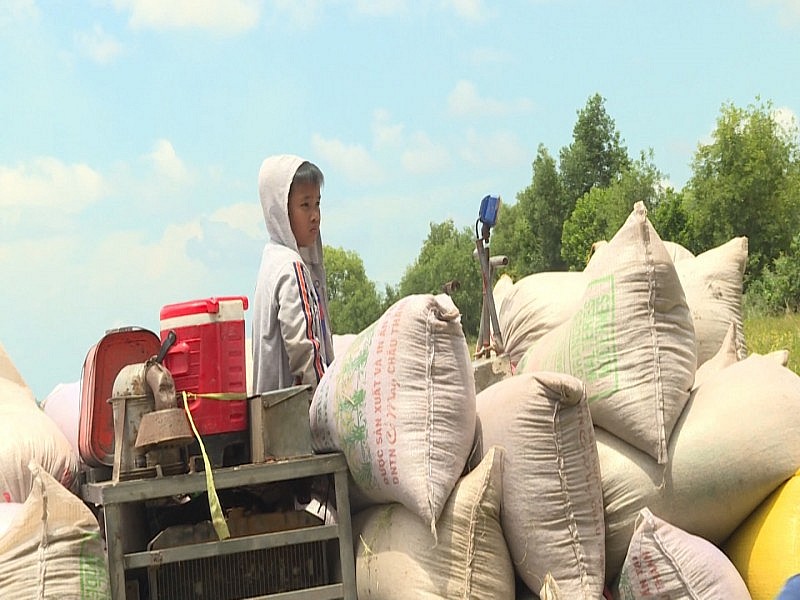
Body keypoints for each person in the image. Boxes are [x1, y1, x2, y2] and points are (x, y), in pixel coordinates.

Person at [252, 155, 334, 395]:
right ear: (281, 212)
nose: (315, 216)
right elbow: (306, 353)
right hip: (292, 422)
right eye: (305, 205)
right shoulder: (291, 268)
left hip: (269, 421)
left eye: (318, 204)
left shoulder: (270, 264)